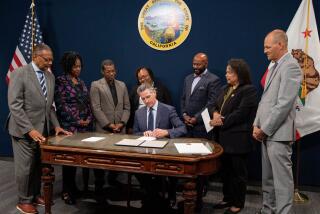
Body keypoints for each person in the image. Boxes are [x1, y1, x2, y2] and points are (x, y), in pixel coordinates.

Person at [6, 43, 71, 214]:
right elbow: (15, 105)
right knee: (25, 167)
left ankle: (34, 195)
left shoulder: (50, 77)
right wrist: (29, 129)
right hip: (22, 131)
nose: (50, 63)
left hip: (42, 131)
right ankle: (24, 200)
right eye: (47, 59)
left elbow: (49, 107)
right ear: (35, 57)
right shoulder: (19, 73)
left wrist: (57, 126)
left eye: (51, 60)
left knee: (36, 165)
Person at [253, 29, 302, 214]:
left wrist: (264, 129)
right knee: (268, 179)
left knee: (282, 182)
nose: (264, 50)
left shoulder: (291, 66)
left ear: (280, 44)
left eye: (267, 46)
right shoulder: (275, 65)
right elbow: (265, 100)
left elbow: (284, 104)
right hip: (266, 132)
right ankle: (268, 210)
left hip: (278, 134)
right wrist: (256, 124)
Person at [210, 59, 258, 214]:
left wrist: (220, 121)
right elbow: (214, 105)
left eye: (229, 72)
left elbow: (241, 114)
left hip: (238, 140)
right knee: (225, 172)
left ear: (239, 73)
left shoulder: (249, 90)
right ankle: (227, 198)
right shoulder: (225, 88)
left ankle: (238, 203)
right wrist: (215, 113)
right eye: (226, 71)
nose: (226, 74)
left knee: (238, 174)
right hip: (222, 139)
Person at [133, 84, 187, 210]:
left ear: (154, 93)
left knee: (172, 169)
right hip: (145, 152)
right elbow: (135, 133)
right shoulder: (138, 113)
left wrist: (167, 132)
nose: (146, 101)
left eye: (148, 97)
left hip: (165, 151)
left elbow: (182, 128)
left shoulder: (168, 109)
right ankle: (153, 194)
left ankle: (171, 194)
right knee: (136, 168)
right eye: (143, 99)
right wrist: (143, 133)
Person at [55, 51, 93, 204]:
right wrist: (77, 121)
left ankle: (76, 188)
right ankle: (67, 191)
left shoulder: (82, 82)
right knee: (69, 161)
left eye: (79, 66)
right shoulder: (61, 81)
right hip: (70, 128)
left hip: (85, 127)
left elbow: (88, 103)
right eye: (75, 66)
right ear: (67, 66)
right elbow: (61, 105)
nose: (78, 69)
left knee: (81, 159)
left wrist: (88, 118)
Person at [90, 59, 130, 197]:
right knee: (100, 160)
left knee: (117, 159)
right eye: (108, 71)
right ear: (102, 71)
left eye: (113, 71)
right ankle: (99, 187)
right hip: (103, 129)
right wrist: (108, 125)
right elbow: (96, 108)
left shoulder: (122, 85)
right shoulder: (96, 85)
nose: (111, 73)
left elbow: (127, 107)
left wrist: (122, 123)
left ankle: (113, 183)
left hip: (120, 129)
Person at [181, 52, 222, 139]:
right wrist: (184, 114)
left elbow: (212, 103)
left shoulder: (213, 80)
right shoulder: (187, 79)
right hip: (187, 125)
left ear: (206, 64)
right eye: (194, 64)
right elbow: (183, 98)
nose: (195, 67)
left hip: (203, 126)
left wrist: (196, 118)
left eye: (198, 64)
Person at [128, 67, 172, 132]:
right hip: (140, 125)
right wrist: (130, 126)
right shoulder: (135, 90)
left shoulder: (162, 89)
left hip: (158, 124)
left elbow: (168, 107)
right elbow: (130, 109)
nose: (143, 79)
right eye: (140, 78)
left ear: (150, 75)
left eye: (144, 76)